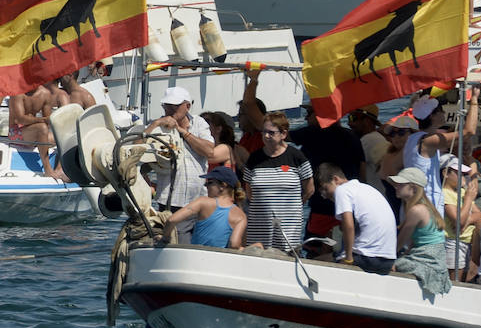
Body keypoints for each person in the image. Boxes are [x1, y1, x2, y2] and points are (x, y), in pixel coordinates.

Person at [145, 86, 215, 241]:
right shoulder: (157, 127)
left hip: (198, 199)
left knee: (202, 245)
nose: (169, 110)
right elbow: (135, 149)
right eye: (166, 106)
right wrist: (156, 124)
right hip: (172, 202)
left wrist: (182, 131)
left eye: (174, 106)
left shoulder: (199, 123)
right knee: (178, 244)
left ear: (187, 106)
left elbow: (209, 151)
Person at [244, 112, 314, 253]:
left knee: (287, 260)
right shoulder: (254, 158)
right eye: (264, 132)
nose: (266, 136)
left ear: (283, 134)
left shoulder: (296, 157)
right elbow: (249, 191)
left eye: (271, 132)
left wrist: (293, 207)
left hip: (288, 228)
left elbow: (309, 189)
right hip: (260, 227)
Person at [317, 163, 397, 274]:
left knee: (318, 262)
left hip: (367, 258)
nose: (326, 196)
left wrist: (348, 259)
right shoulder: (366, 189)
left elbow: (348, 226)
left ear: (336, 179)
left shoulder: (342, 190)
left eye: (326, 189)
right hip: (388, 261)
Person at [388, 167, 451, 295]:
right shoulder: (424, 207)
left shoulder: (416, 210)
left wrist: (387, 257)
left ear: (414, 188)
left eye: (401, 184)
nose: (396, 186)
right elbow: (413, 242)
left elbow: (401, 241)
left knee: (385, 265)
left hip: (428, 260)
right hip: (432, 258)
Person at [166, 168, 247, 249]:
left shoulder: (203, 201)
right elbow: (234, 244)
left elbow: (172, 220)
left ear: (223, 185)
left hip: (195, 257)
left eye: (210, 183)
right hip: (220, 259)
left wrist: (165, 238)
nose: (206, 186)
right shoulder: (241, 215)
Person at [8, 81, 63, 180]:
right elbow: (20, 119)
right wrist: (42, 120)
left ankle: (60, 168)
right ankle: (47, 170)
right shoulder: (17, 93)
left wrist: (48, 120)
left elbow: (47, 120)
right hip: (15, 133)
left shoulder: (45, 94)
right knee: (41, 128)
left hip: (32, 133)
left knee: (62, 137)